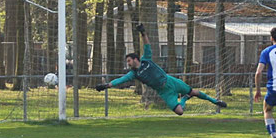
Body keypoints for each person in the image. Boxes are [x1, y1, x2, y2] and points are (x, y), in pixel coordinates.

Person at [95, 22, 227, 115]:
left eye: (129, 60)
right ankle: (185, 98)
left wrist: (143, 32)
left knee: (195, 92)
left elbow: (147, 45)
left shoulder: (146, 59)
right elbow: (120, 80)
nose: (128, 63)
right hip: (164, 92)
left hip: (170, 81)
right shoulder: (134, 74)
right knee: (180, 112)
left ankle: (215, 101)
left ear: (135, 59)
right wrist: (106, 85)